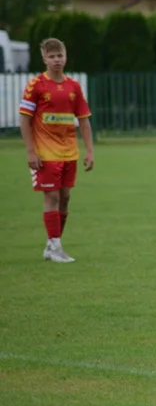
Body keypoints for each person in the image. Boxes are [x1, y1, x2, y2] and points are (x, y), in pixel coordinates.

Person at [19, 38, 95, 263]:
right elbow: (24, 120)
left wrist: (90, 150)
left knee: (65, 198)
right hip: (45, 152)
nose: (56, 60)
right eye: (51, 57)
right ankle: (54, 246)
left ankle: (53, 245)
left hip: (69, 151)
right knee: (51, 196)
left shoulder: (74, 87)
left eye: (59, 55)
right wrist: (31, 151)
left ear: (65, 56)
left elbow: (83, 120)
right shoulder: (36, 85)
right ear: (44, 59)